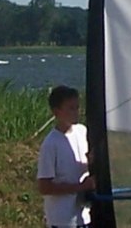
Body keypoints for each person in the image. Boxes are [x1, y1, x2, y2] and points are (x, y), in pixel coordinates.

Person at [36, 85, 92, 228]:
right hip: (62, 220)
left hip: (84, 216)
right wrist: (79, 187)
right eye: (70, 108)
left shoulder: (82, 132)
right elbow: (44, 187)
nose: (76, 112)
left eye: (77, 107)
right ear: (57, 111)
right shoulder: (51, 144)